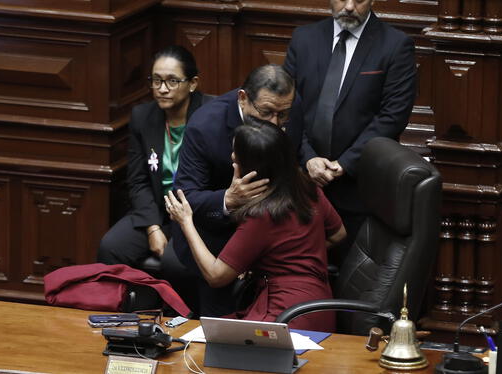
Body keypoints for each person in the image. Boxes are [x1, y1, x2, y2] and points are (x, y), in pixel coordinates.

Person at [165, 118, 346, 331]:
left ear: (251, 168)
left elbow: (216, 276)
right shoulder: (309, 189)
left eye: (236, 154)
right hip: (319, 305)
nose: (232, 157)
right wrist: (292, 255)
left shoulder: (262, 214)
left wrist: (186, 221)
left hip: (287, 317)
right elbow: (338, 234)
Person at [171, 64, 303, 316]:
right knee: (222, 323)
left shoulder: (289, 105)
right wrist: (227, 199)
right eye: (266, 113)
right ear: (243, 99)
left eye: (283, 115)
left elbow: (296, 149)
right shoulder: (205, 127)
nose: (276, 123)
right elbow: (185, 196)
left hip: (272, 226)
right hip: (216, 232)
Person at [284, 0, 417, 251]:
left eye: (358, 0)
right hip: (303, 183)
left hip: (359, 188)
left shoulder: (395, 45)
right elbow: (288, 106)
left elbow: (392, 116)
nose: (348, 6)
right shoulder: (304, 39)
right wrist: (308, 157)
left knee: (352, 278)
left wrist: (344, 164)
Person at [97, 46, 212, 285]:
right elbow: (138, 180)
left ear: (192, 83)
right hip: (157, 210)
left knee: (175, 261)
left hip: (195, 213)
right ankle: (120, 314)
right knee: (112, 246)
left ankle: (179, 319)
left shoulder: (211, 115)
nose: (162, 89)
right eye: (156, 80)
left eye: (172, 81)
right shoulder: (143, 117)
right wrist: (152, 227)